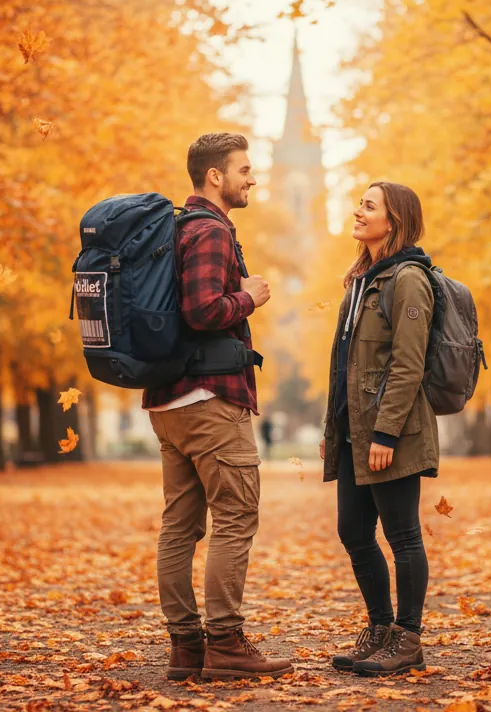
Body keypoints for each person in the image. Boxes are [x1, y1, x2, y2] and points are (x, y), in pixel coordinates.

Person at [143, 133, 291, 681]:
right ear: (214, 177)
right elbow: (203, 310)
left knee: (179, 525)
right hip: (209, 401)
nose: (252, 179)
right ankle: (225, 642)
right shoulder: (209, 231)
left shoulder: (177, 229)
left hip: (169, 401)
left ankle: (186, 648)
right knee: (235, 517)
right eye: (244, 169)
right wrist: (250, 296)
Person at [319, 181, 438, 677]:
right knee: (353, 529)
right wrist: (334, 428)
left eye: (369, 206)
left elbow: (408, 365)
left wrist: (387, 433)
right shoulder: (362, 279)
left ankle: (407, 638)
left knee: (403, 533)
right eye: (360, 203)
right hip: (354, 430)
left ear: (394, 221)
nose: (357, 211)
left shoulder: (409, 279)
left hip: (392, 433)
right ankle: (381, 629)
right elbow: (345, 364)